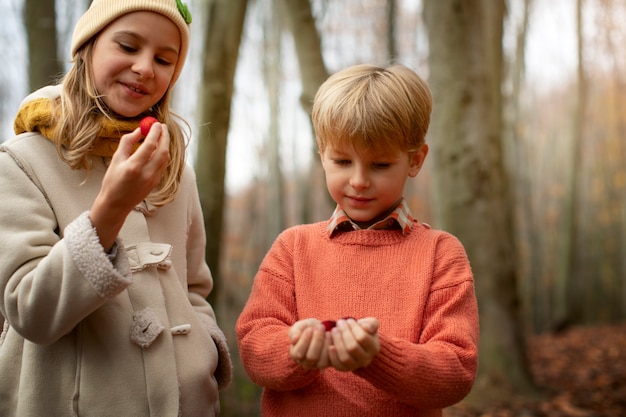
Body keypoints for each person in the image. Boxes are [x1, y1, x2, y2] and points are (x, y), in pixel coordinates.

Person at [0, 0, 232, 416]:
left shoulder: (175, 169)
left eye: (164, 59)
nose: (145, 67)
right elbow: (29, 310)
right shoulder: (20, 161)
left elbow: (194, 289)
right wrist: (111, 209)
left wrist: (203, 353)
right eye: (127, 46)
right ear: (87, 47)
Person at [236, 63, 479, 416]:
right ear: (322, 155)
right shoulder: (293, 247)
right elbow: (254, 345)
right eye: (342, 161)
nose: (359, 180)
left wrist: (376, 356)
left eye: (379, 165)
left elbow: (455, 370)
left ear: (415, 160)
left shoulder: (441, 254)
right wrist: (297, 351)